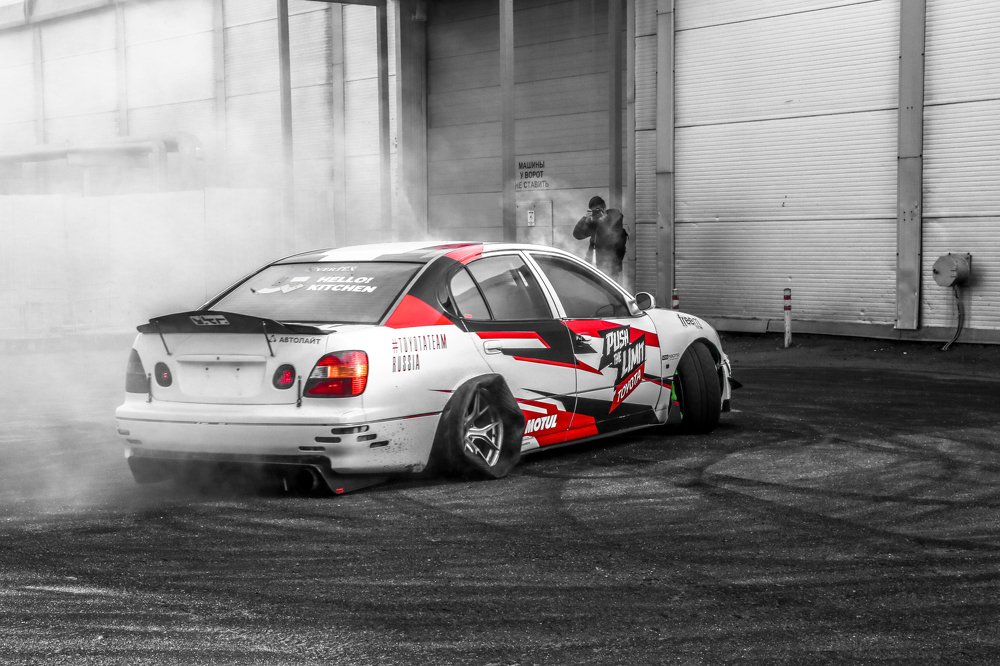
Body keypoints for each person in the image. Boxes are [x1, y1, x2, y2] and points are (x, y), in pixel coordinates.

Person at [572, 195, 628, 283]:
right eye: (594, 211)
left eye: (598, 210)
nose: (596, 213)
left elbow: (613, 239)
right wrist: (585, 219)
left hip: (610, 266)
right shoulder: (594, 222)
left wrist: (604, 221)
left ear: (604, 208)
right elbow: (577, 235)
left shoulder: (614, 218)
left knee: (608, 289)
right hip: (593, 265)